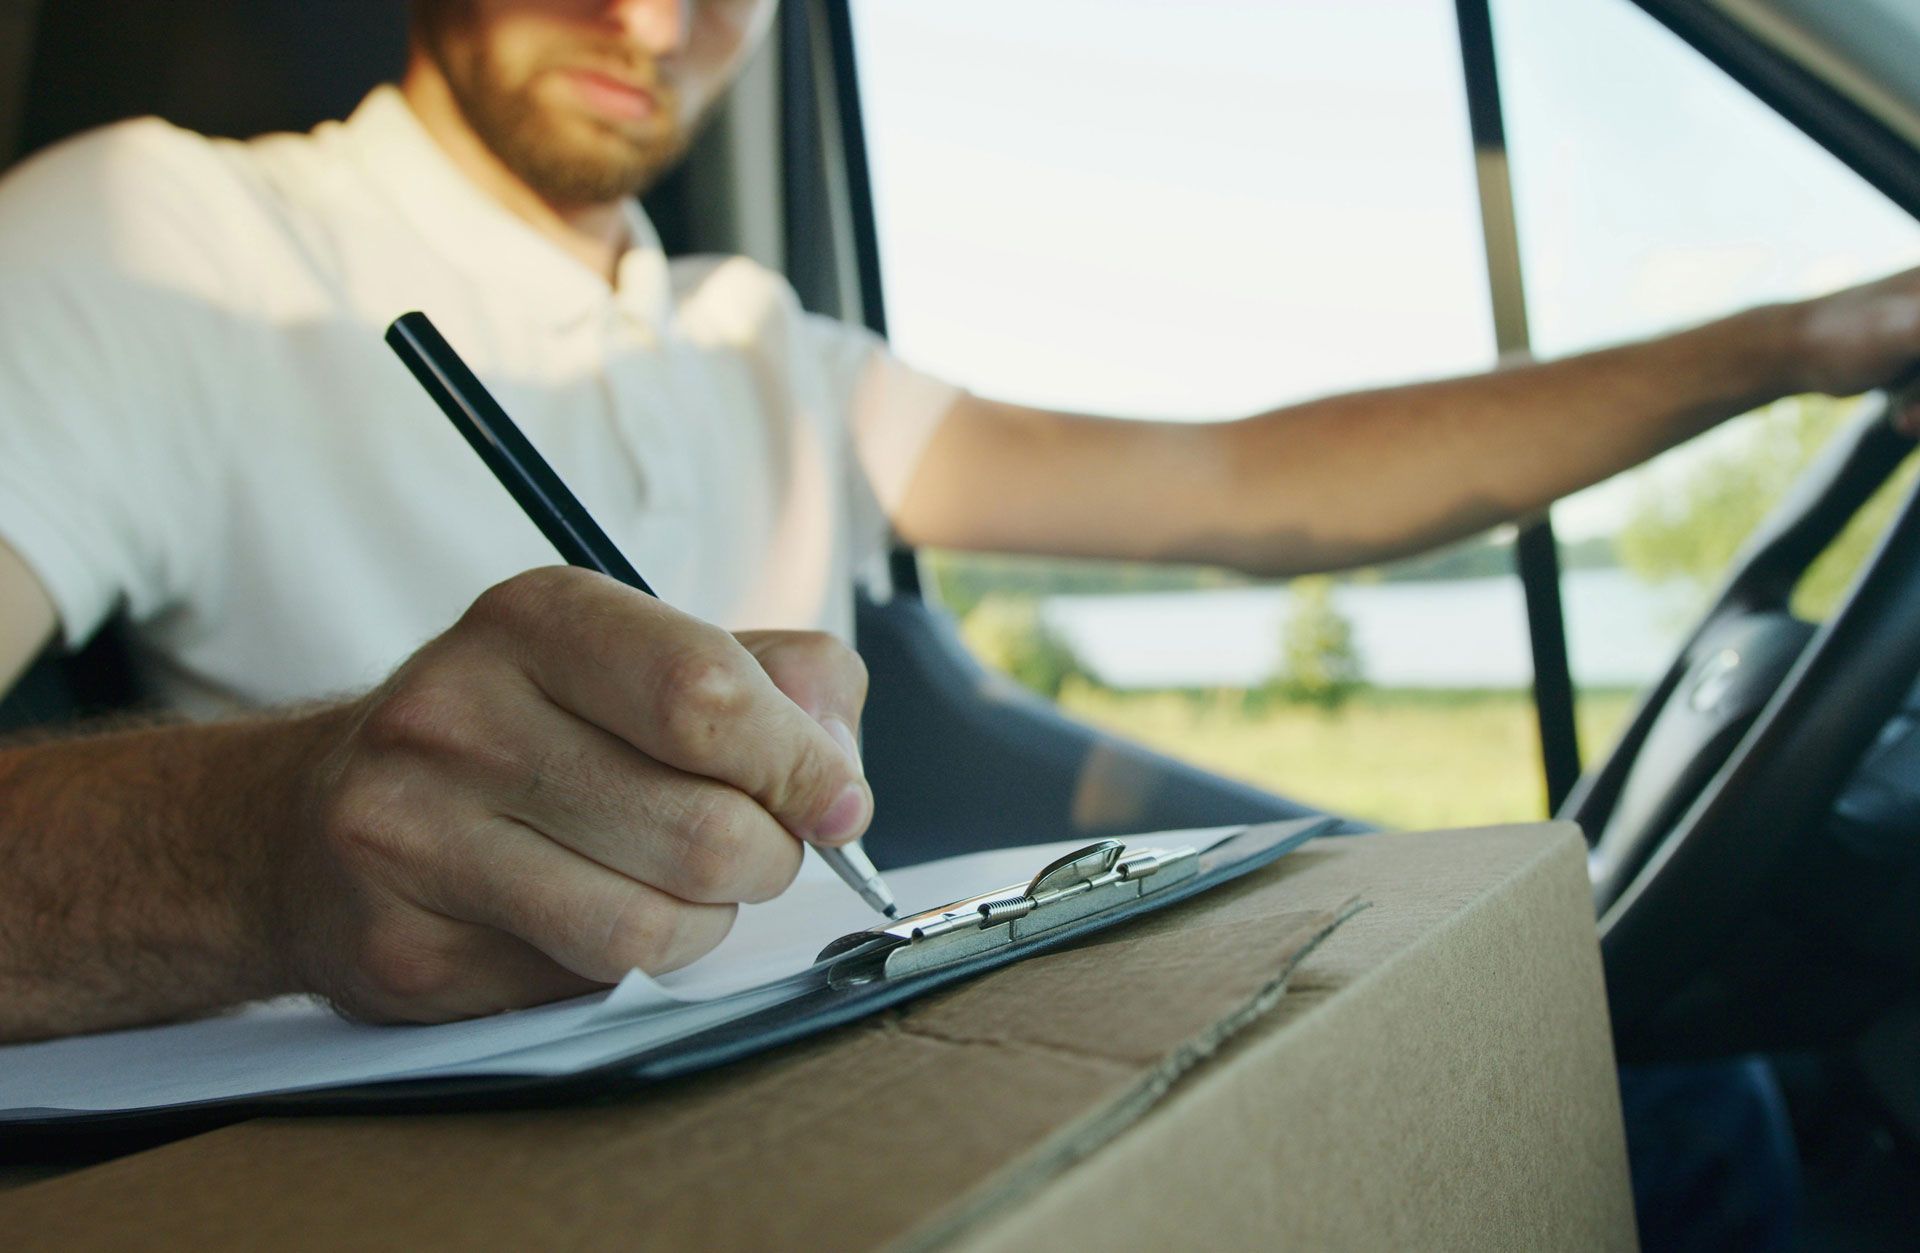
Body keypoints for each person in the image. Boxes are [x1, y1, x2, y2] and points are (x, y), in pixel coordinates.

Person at [1, 0, 1917, 1047]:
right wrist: (268, 842)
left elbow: (1257, 486)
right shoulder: (163, 245)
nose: (651, 14)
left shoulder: (762, 344)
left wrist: (1794, 344)